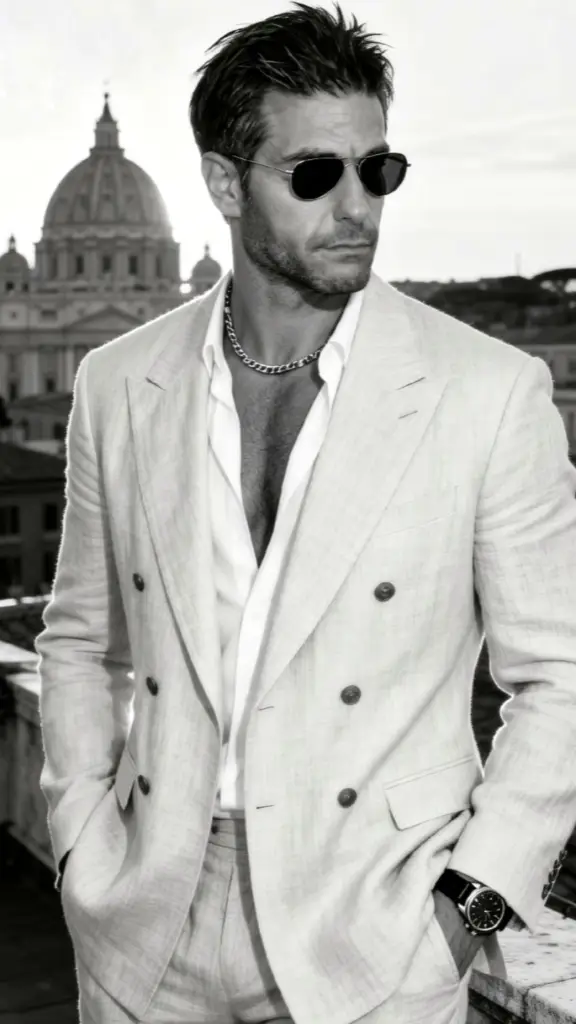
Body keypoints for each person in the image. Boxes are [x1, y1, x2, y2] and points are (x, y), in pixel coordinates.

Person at [36, 3, 576, 1023]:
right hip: (147, 924)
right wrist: (81, 849)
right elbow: (80, 639)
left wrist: (467, 908)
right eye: (316, 174)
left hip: (373, 932)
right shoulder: (115, 381)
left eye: (380, 170)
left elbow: (563, 678)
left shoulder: (489, 390)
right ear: (224, 184)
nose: (359, 207)